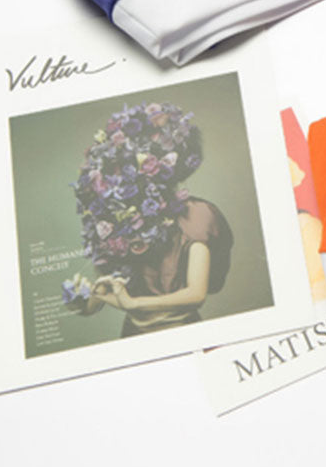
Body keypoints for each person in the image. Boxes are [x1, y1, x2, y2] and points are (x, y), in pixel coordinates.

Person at [62, 101, 232, 336]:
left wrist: (134, 304)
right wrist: (82, 300)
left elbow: (196, 294)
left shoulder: (196, 216)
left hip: (184, 334)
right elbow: (100, 299)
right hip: (133, 338)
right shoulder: (117, 221)